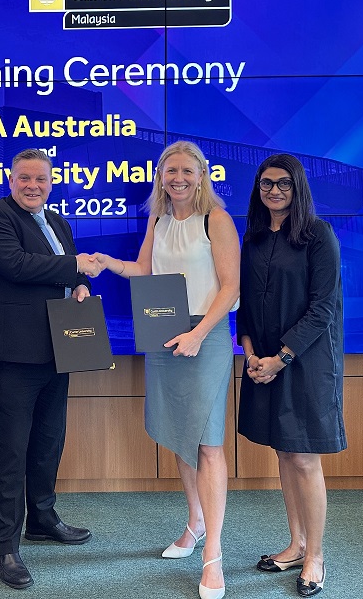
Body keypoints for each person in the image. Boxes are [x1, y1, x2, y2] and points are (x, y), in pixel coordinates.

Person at [95, 140, 239, 599]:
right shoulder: (157, 220)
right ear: (160, 177)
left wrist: (198, 334)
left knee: (209, 442)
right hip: (164, 331)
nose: (178, 178)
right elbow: (145, 270)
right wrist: (109, 264)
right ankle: (195, 522)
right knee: (181, 434)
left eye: (186, 171)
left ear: (201, 176)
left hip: (205, 335)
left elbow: (231, 288)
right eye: (170, 171)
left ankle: (213, 554)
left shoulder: (216, 219)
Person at [0, 148, 101, 590]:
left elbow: (71, 272)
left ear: (51, 182)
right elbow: (15, 264)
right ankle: (5, 546)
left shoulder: (59, 222)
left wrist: (81, 284)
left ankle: (42, 519)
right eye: (24, 178)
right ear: (11, 180)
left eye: (41, 179)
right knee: (13, 448)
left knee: (49, 440)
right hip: (15, 351)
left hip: (60, 347)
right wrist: (76, 266)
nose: (33, 186)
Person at [236, 153, 346, 599]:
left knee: (304, 457)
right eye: (266, 183)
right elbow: (245, 303)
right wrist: (250, 354)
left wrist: (280, 358)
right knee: (284, 452)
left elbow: (323, 309)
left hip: (305, 362)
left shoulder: (318, 235)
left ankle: (316, 555)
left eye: (283, 183)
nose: (274, 190)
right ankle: (296, 544)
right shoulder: (254, 237)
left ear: (298, 187)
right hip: (263, 360)